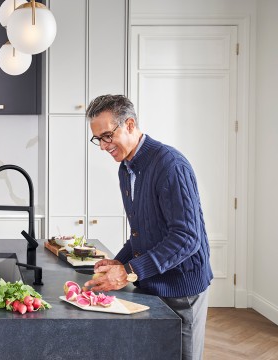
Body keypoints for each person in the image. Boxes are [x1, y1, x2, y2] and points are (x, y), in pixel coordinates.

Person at [83, 95, 213, 360]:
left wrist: (128, 271)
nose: (103, 146)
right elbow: (142, 232)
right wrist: (117, 263)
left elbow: (187, 238)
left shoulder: (170, 166)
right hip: (152, 283)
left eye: (107, 136)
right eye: (98, 139)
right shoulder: (126, 168)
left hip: (182, 289)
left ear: (129, 124)